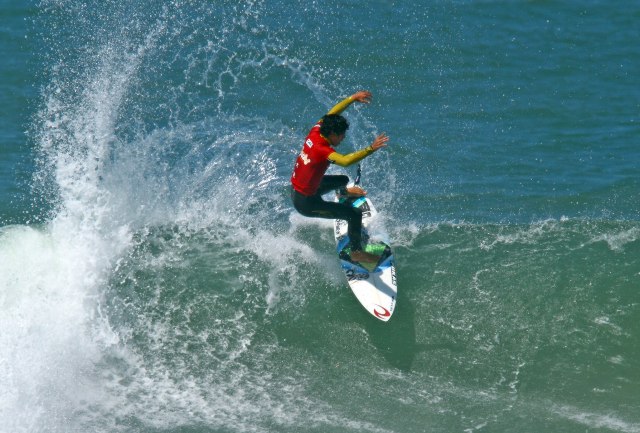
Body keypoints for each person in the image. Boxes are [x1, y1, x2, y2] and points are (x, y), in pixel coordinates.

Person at [290, 90, 389, 263]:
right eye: (341, 135)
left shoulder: (317, 130)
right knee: (354, 214)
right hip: (306, 202)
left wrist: (352, 99)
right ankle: (357, 253)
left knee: (342, 180)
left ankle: (343, 192)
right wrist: (371, 149)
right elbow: (344, 161)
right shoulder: (322, 149)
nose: (343, 138)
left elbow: (332, 112)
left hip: (302, 188)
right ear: (333, 134)